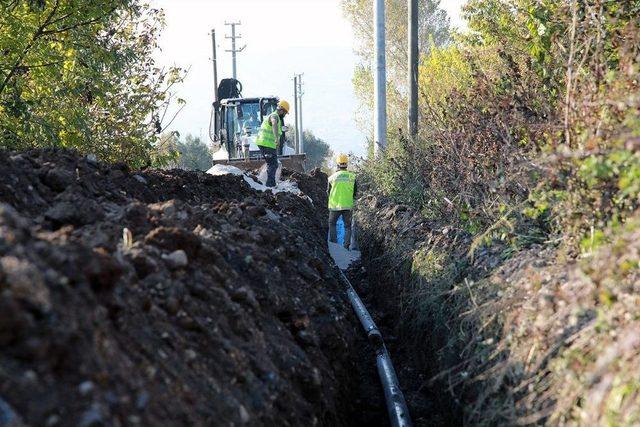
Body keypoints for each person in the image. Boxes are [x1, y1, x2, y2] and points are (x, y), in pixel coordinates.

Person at [255, 100, 290, 187]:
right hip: (266, 144)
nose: (284, 115)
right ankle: (270, 185)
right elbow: (274, 123)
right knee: (273, 164)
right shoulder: (275, 116)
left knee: (272, 163)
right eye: (285, 113)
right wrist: (276, 139)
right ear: (281, 110)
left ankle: (269, 183)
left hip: (266, 144)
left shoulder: (275, 116)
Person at [328, 154, 357, 250]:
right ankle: (346, 246)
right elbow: (355, 192)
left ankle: (334, 245)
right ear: (347, 164)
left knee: (332, 224)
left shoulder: (332, 178)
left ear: (338, 164)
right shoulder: (352, 177)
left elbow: (328, 192)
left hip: (335, 205)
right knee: (347, 226)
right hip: (348, 206)